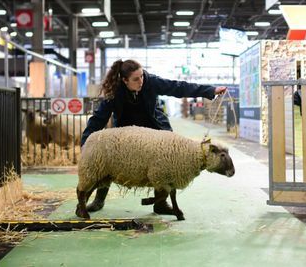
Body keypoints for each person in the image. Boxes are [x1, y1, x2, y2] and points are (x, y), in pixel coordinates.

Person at [80, 59, 227, 215]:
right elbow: (99, 118)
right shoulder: (114, 91)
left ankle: (161, 204)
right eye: (136, 79)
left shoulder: (150, 82)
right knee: (109, 160)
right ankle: (99, 199)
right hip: (127, 132)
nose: (141, 81)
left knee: (166, 163)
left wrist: (210, 91)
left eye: (142, 76)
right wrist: (85, 143)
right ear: (124, 80)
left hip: (155, 127)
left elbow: (177, 87)